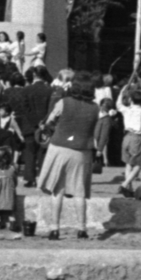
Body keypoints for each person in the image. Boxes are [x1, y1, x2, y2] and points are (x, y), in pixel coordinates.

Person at [36, 70, 99, 240]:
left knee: (58, 190)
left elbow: (50, 121)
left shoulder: (64, 102)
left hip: (60, 148)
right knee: (80, 192)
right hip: (83, 151)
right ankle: (82, 229)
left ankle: (54, 229)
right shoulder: (96, 108)